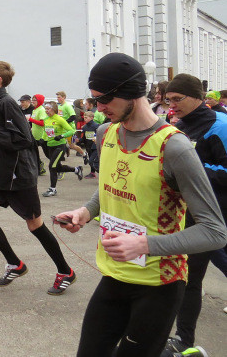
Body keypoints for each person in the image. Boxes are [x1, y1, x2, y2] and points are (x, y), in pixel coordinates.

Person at [54, 52, 227, 357]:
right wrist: (84, 212)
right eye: (94, 99)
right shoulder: (107, 133)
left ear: (133, 91)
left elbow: (215, 232)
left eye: (105, 98)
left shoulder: (174, 147)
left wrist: (144, 245)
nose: (99, 107)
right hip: (115, 274)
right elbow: (110, 188)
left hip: (159, 284)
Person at [0, 62, 76, 294]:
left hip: (19, 175)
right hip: (3, 174)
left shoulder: (8, 103)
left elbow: (23, 140)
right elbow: (4, 139)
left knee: (35, 225)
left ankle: (66, 271)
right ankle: (15, 264)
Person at [161, 74, 227, 355]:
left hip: (216, 216)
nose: (172, 106)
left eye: (178, 99)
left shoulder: (220, 126)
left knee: (199, 275)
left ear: (198, 97)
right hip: (185, 216)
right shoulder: (177, 127)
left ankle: (184, 340)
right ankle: (182, 339)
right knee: (186, 279)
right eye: (168, 101)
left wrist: (192, 171)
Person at [41, 101, 83, 197]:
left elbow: (72, 130)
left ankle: (52, 189)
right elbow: (45, 131)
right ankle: (76, 169)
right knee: (58, 167)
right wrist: (42, 139)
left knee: (52, 166)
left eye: (48, 109)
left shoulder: (60, 119)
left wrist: (61, 136)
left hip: (60, 146)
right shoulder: (46, 119)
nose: (46, 111)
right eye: (45, 109)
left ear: (54, 109)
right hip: (50, 146)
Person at [28, 94, 48, 175]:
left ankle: (58, 168)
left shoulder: (41, 110)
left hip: (42, 136)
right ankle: (40, 168)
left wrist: (30, 119)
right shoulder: (34, 110)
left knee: (48, 155)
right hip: (35, 136)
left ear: (39, 101)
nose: (32, 102)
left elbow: (42, 123)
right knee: (33, 153)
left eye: (34, 100)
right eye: (32, 100)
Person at [79, 111, 99, 178]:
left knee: (91, 161)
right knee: (91, 160)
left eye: (86, 117)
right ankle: (92, 173)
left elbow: (100, 136)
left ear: (92, 118)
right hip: (88, 146)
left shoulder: (96, 126)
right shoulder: (85, 127)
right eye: (84, 117)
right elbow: (84, 138)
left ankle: (102, 174)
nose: (85, 119)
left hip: (95, 147)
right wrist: (79, 140)